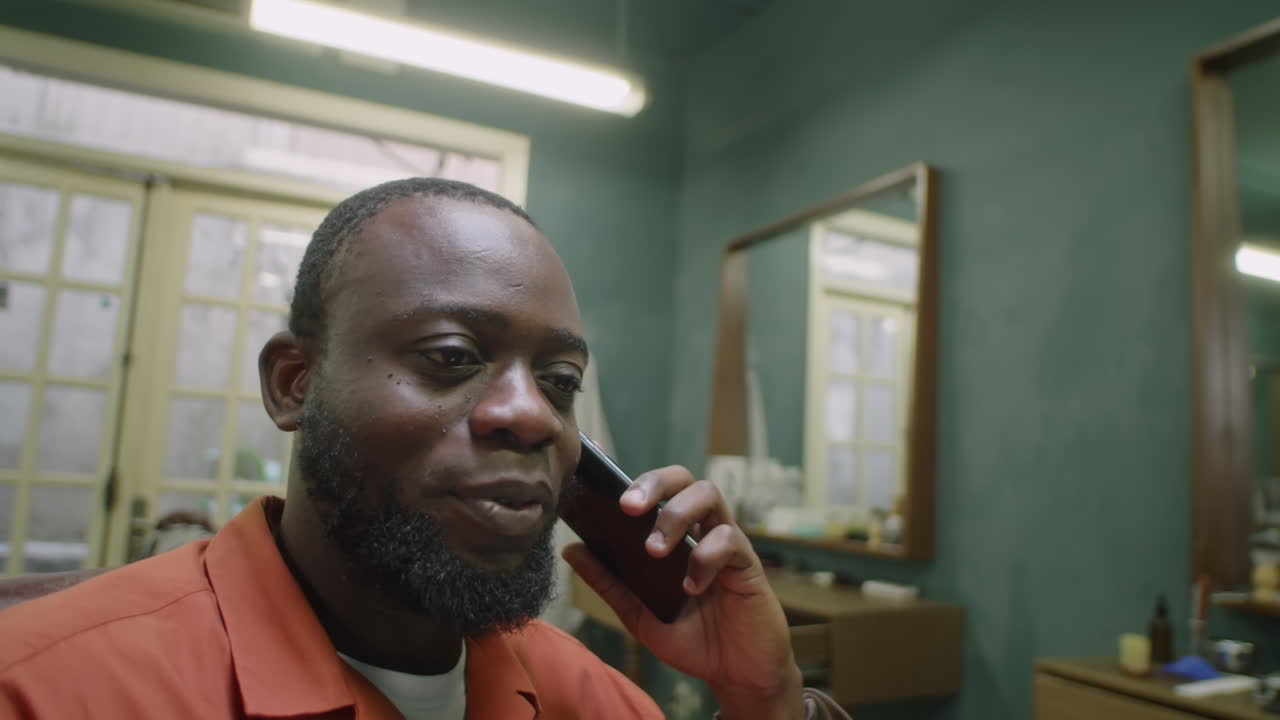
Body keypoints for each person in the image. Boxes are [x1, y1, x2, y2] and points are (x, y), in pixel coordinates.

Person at [0, 178, 846, 720]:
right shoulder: (44, 689)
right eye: (450, 356)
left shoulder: (595, 701)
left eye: (559, 380)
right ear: (294, 383)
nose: (532, 416)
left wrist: (765, 699)